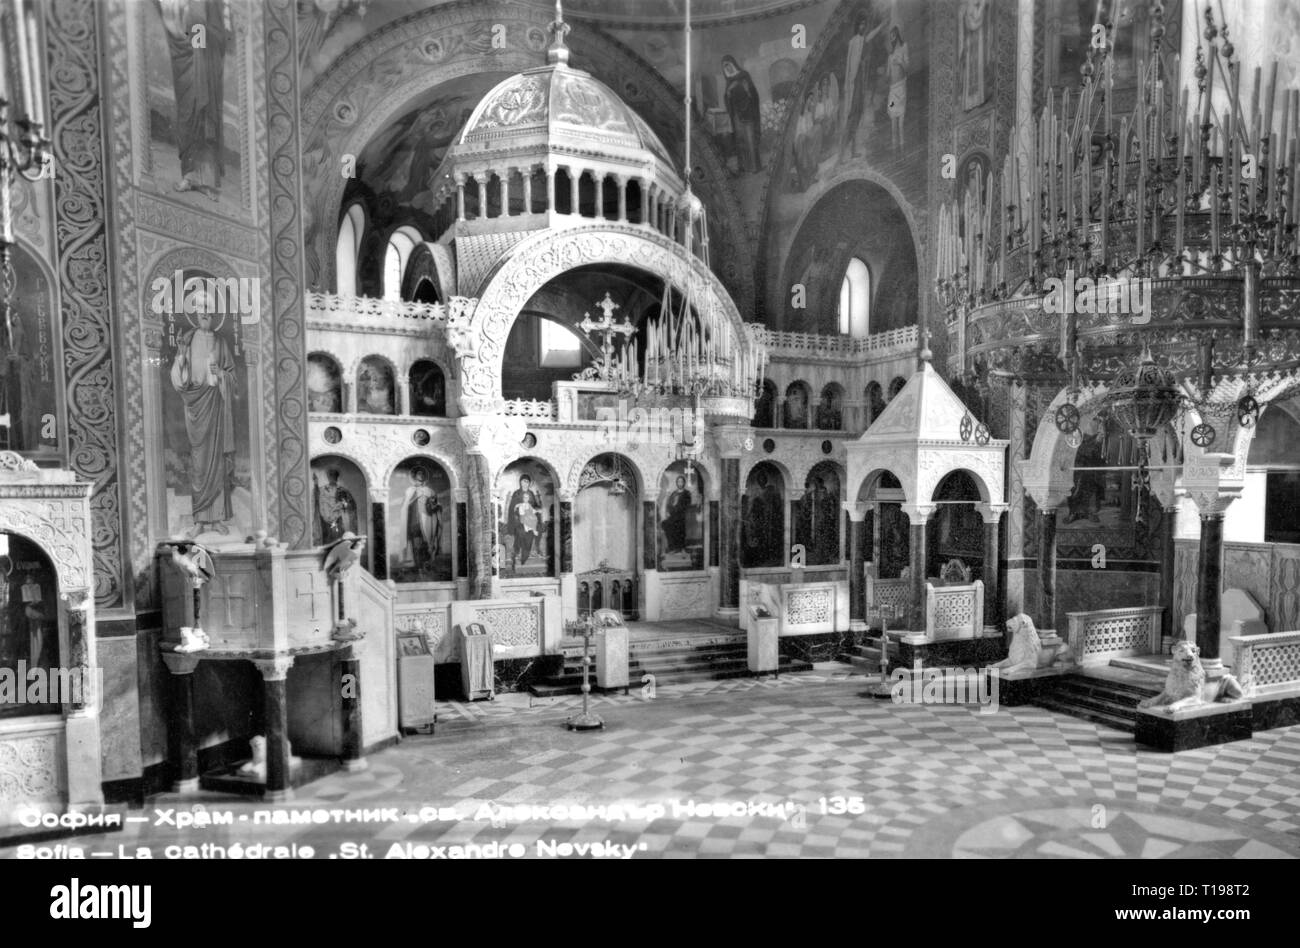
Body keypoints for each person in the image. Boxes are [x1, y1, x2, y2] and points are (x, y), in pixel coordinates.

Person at [169, 307, 237, 536]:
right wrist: (180, 355)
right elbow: (179, 381)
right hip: (196, 406)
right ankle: (199, 520)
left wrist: (220, 375)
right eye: (201, 311)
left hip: (216, 403)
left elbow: (232, 377)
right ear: (196, 315)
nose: (206, 315)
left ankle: (217, 519)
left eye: (209, 311)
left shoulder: (221, 342)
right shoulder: (187, 340)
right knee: (199, 463)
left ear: (215, 315)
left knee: (216, 461)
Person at [158, 0, 231, 200]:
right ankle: (189, 176)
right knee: (188, 116)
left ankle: (207, 182)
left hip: (205, 67)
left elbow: (219, 35)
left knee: (206, 120)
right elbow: (179, 31)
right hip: (188, 65)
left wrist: (201, 30)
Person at [839, 13, 887, 160]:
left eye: (864, 25)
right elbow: (849, 67)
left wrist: (881, 26)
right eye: (861, 24)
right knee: (852, 117)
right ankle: (842, 154)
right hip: (853, 84)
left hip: (858, 82)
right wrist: (848, 86)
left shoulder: (861, 40)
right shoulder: (854, 41)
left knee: (858, 116)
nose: (863, 27)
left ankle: (853, 151)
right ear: (856, 26)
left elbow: (869, 36)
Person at [721, 55, 762, 174]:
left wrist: (740, 86)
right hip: (736, 116)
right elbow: (727, 97)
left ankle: (754, 167)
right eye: (725, 67)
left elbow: (752, 93)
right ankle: (743, 167)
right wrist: (728, 92)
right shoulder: (728, 81)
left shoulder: (744, 75)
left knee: (750, 140)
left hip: (748, 113)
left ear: (733, 64)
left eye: (728, 65)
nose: (727, 69)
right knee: (740, 141)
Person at [403, 466, 441, 574]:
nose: (421, 476)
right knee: (416, 543)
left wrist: (435, 505)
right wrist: (416, 497)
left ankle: (427, 564)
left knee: (428, 542)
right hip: (415, 520)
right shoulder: (411, 490)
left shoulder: (430, 491)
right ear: (415, 476)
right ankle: (418, 566)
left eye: (422, 474)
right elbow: (406, 505)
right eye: (419, 474)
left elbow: (435, 505)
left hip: (427, 519)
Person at [505, 473, 544, 569]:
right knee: (521, 531)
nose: (525, 483)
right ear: (520, 482)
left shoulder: (531, 493)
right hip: (519, 519)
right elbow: (512, 508)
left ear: (529, 483)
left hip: (530, 517)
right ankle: (518, 554)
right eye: (523, 481)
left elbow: (534, 506)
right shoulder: (517, 493)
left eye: (527, 482)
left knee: (538, 528)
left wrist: (538, 508)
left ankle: (536, 550)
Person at [317, 467, 358, 545]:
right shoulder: (322, 490)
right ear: (328, 477)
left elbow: (351, 504)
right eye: (330, 475)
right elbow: (319, 502)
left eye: (334, 475)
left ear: (337, 477)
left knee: (338, 536)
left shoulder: (343, 490)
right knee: (328, 538)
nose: (332, 477)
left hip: (339, 517)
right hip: (326, 517)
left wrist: (343, 505)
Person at [886, 26, 910, 153]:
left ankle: (902, 146)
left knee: (901, 120)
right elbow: (887, 75)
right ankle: (895, 148)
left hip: (901, 89)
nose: (892, 39)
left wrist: (900, 62)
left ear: (897, 35)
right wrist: (885, 71)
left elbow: (907, 69)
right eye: (890, 37)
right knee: (892, 117)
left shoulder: (904, 48)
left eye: (893, 36)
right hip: (892, 92)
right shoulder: (890, 56)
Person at [661, 475, 694, 556]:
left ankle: (681, 548)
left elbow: (687, 505)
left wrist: (677, 507)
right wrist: (668, 511)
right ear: (676, 483)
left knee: (680, 530)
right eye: (678, 481)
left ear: (684, 483)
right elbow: (669, 504)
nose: (680, 483)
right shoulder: (674, 493)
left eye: (681, 481)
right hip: (673, 515)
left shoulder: (686, 493)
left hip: (681, 515)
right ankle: (673, 548)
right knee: (665, 524)